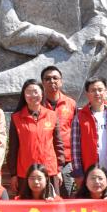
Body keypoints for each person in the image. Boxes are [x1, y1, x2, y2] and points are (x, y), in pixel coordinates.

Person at [7, 79, 63, 196]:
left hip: (49, 170)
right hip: (25, 172)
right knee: (26, 204)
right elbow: (13, 148)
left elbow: (58, 145)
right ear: (24, 95)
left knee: (51, 203)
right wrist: (13, 174)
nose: (32, 95)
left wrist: (59, 170)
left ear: (42, 94)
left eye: (36, 92)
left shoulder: (52, 115)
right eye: (28, 92)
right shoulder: (16, 118)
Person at [41, 65, 78, 196]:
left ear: (61, 81)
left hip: (66, 160)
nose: (52, 81)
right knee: (46, 196)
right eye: (47, 79)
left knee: (67, 195)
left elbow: (76, 133)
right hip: (44, 159)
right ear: (42, 83)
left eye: (55, 78)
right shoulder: (38, 104)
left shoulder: (71, 104)